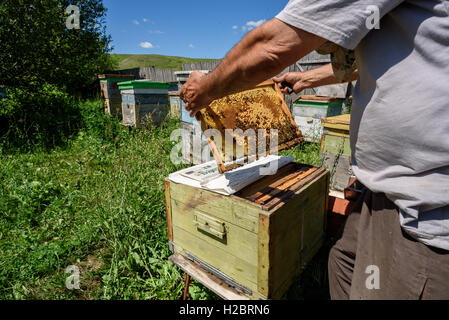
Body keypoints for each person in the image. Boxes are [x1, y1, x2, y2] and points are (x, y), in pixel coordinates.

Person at [180, 0, 449, 299]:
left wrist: (203, 90)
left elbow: (271, 47)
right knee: (342, 261)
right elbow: (357, 64)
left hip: (424, 208)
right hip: (387, 192)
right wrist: (306, 78)